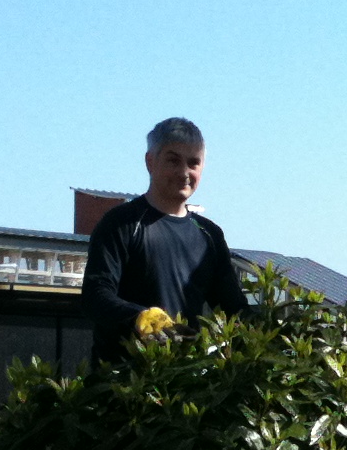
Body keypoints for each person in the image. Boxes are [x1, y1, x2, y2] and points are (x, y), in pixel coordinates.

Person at [81, 117, 249, 356]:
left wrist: (285, 335)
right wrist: (138, 317)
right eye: (173, 160)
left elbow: (234, 310)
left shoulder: (209, 235)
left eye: (193, 163)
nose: (184, 172)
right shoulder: (122, 223)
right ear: (150, 162)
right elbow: (95, 296)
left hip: (183, 373)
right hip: (124, 374)